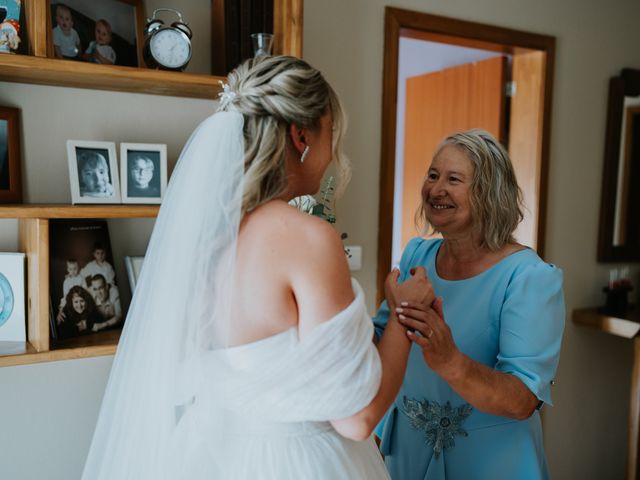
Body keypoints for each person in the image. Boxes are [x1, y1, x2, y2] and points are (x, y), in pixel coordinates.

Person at [81, 55, 436, 479]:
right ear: (301, 135)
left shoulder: (203, 241)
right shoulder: (307, 238)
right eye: (331, 133)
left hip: (214, 454)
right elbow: (358, 419)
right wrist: (403, 314)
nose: (334, 151)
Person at [373, 129, 565, 480]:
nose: (436, 189)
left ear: (489, 194)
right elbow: (381, 340)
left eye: (454, 179)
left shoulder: (528, 278)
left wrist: (451, 361)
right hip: (408, 454)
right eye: (433, 175)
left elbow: (523, 400)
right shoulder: (416, 255)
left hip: (491, 461)